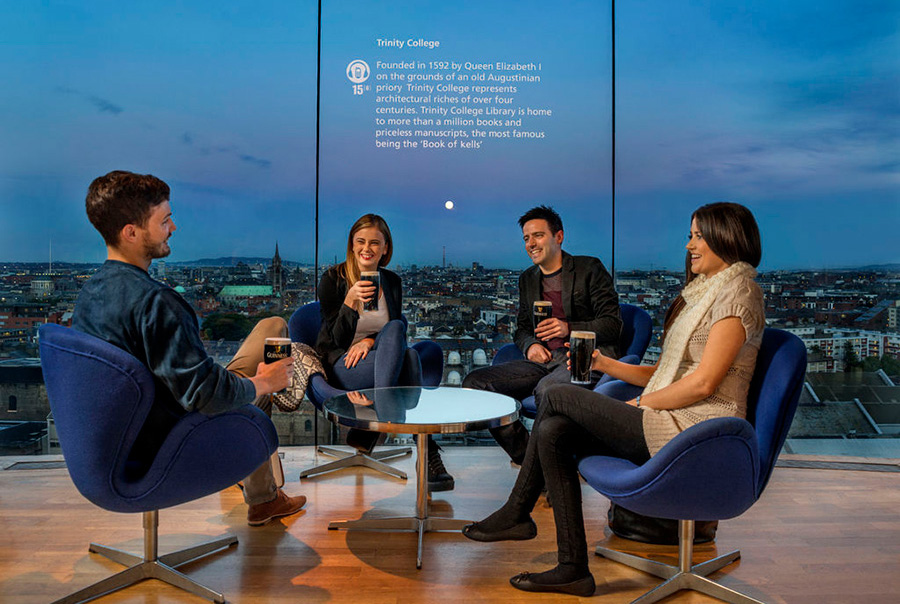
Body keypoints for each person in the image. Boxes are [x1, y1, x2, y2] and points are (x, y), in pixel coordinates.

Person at [463, 202, 765, 597]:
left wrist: (640, 405)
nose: (689, 245)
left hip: (694, 430)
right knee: (553, 430)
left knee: (556, 395)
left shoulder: (738, 292)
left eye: (698, 236)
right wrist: (605, 363)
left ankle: (518, 511)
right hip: (670, 416)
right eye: (690, 235)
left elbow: (703, 384)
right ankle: (572, 568)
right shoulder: (704, 294)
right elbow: (665, 373)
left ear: (726, 237)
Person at [72, 170, 306, 527]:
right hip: (172, 436)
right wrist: (264, 383)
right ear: (131, 232)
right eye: (164, 221)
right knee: (261, 386)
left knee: (272, 326)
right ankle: (263, 496)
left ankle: (261, 491)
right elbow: (205, 396)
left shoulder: (90, 293)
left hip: (121, 434)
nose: (174, 227)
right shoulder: (158, 302)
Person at [462, 205, 621, 463]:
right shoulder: (527, 279)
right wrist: (530, 346)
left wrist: (569, 327)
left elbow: (613, 324)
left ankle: (542, 467)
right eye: (526, 238)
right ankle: (531, 459)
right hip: (544, 361)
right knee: (475, 384)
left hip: (583, 359)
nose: (531, 244)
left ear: (559, 236)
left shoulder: (588, 269)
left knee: (548, 390)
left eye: (538, 235)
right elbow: (523, 328)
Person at [315, 214, 454, 491]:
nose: (367, 248)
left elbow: (395, 330)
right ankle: (425, 451)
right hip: (344, 363)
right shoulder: (332, 279)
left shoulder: (391, 282)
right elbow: (336, 339)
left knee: (400, 335)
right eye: (361, 241)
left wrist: (369, 341)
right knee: (409, 359)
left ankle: (376, 423)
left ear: (385, 248)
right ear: (352, 244)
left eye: (375, 243)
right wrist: (350, 301)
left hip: (379, 361)